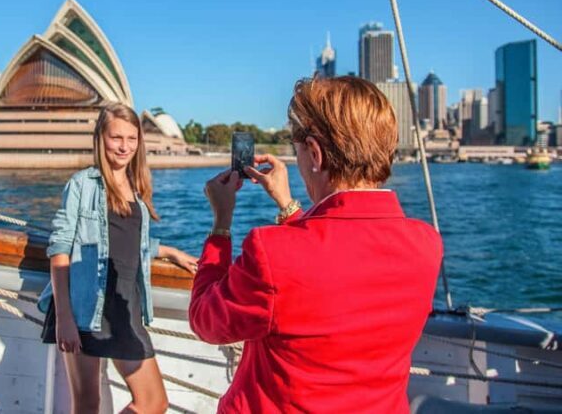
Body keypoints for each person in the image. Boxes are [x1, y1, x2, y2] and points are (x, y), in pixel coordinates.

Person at [189, 76, 443, 413]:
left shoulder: (271, 252)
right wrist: (287, 204)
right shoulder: (426, 244)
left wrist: (221, 226)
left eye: (298, 150)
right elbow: (332, 265)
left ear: (315, 153)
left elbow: (206, 319)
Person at [37, 102, 198, 414]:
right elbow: (60, 249)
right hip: (86, 307)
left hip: (125, 305)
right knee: (87, 404)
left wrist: (169, 251)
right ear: (101, 138)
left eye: (132, 138)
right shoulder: (83, 184)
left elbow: (126, 243)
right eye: (116, 138)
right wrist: (66, 320)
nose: (125, 146)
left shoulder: (136, 188)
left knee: (153, 402)